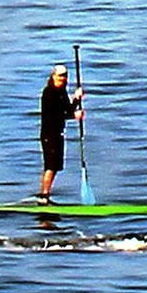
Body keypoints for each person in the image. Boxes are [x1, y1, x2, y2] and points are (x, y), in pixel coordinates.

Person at [38, 64, 84, 205]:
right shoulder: (49, 93)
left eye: (64, 76)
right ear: (53, 76)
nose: (62, 79)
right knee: (50, 166)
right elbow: (55, 115)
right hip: (49, 134)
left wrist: (76, 99)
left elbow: (67, 109)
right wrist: (73, 115)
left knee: (56, 166)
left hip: (58, 133)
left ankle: (46, 195)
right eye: (59, 76)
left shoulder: (62, 92)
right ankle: (43, 197)